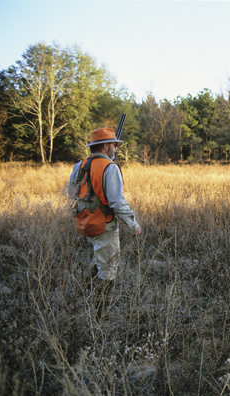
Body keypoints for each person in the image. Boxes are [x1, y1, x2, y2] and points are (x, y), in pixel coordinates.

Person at [68, 127, 142, 319]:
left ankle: (83, 295)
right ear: (107, 146)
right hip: (103, 225)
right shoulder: (109, 168)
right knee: (108, 269)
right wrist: (133, 224)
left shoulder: (79, 165)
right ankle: (99, 316)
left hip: (84, 223)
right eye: (115, 145)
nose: (116, 148)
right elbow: (117, 202)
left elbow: (72, 194)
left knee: (99, 258)